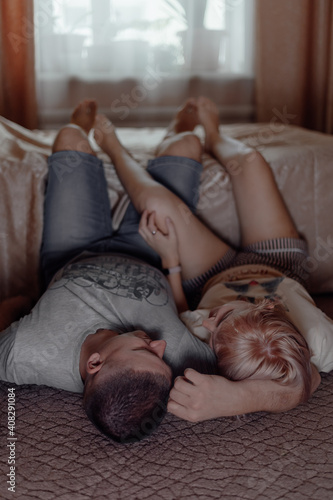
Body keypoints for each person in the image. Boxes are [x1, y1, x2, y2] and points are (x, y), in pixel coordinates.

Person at [93, 96, 327, 423]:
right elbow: (311, 378)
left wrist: (171, 262)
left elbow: (180, 313)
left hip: (212, 274)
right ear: (265, 306)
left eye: (211, 334)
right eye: (221, 315)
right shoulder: (317, 335)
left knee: (159, 211)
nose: (207, 322)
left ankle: (114, 149)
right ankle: (214, 135)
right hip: (279, 264)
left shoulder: (209, 336)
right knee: (250, 161)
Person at [0, 99, 217, 443]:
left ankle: (81, 121)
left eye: (146, 352)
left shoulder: (28, 353)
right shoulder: (179, 358)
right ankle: (177, 127)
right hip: (150, 249)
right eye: (163, 361)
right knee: (187, 144)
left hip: (72, 252)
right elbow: (282, 376)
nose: (160, 345)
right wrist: (173, 262)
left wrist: (20, 305)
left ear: (95, 364)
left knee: (70, 139)